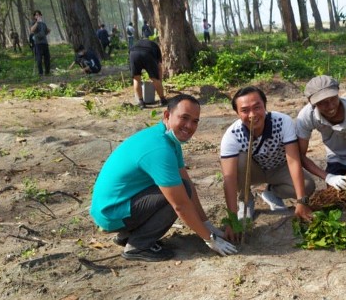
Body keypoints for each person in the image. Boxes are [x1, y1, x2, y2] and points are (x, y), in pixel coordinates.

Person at [90, 94, 237, 262]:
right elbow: (180, 205)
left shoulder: (167, 138)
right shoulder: (160, 149)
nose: (189, 126)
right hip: (111, 213)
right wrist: (210, 239)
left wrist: (206, 225)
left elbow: (187, 182)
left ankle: (127, 235)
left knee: (183, 187)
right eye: (184, 118)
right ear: (167, 116)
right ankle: (138, 245)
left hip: (117, 206)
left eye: (195, 121)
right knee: (177, 195)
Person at [219, 87, 315, 239]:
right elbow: (229, 179)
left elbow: (293, 160)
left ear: (265, 106)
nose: (252, 115)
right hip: (252, 171)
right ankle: (246, 199)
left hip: (279, 167)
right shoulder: (232, 135)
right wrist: (232, 221)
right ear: (237, 113)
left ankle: (272, 193)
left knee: (308, 185)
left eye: (257, 107)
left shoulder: (283, 122)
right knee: (240, 160)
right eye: (245, 110)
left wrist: (301, 201)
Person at [129, 38, 167, 108]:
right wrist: (159, 81)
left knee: (136, 78)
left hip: (133, 54)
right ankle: (163, 99)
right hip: (147, 53)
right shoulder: (155, 46)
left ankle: (141, 102)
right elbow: (159, 67)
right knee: (154, 78)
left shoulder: (137, 43)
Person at [30, 10, 51, 76]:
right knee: (39, 58)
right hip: (38, 43)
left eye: (39, 15)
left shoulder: (43, 24)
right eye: (36, 15)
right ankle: (40, 73)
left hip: (45, 42)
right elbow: (32, 30)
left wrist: (48, 30)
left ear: (41, 15)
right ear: (34, 17)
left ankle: (47, 72)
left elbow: (46, 32)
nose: (37, 16)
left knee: (47, 57)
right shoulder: (34, 23)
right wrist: (37, 22)